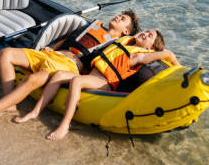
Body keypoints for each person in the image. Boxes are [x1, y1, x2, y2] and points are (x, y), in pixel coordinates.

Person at [0, 11, 140, 127]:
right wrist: (53, 48)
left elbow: (143, 49)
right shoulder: (94, 25)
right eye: (119, 14)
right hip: (51, 55)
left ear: (126, 32)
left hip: (68, 65)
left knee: (33, 79)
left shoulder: (118, 44)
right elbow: (69, 38)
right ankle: (10, 103)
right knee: (6, 54)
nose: (118, 17)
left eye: (123, 19)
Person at [16, 29, 179, 141]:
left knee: (77, 81)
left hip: (104, 83)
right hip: (91, 75)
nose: (145, 33)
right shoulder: (124, 42)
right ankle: (35, 111)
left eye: (149, 36)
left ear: (151, 47)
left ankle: (64, 125)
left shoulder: (139, 56)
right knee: (58, 75)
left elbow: (168, 53)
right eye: (146, 31)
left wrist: (177, 67)